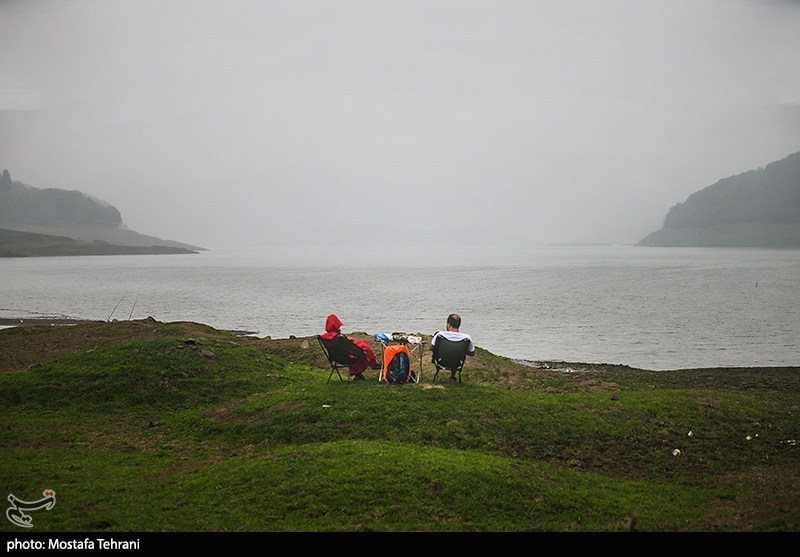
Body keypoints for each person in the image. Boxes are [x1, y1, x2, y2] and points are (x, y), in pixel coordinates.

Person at [320, 313, 379, 380]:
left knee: (361, 348)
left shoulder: (325, 337)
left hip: (336, 358)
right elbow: (348, 346)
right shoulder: (338, 337)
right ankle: (373, 364)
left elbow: (343, 345)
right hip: (347, 358)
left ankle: (358, 374)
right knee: (363, 349)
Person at [429, 313, 475, 381]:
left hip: (441, 361)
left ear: (449, 324)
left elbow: (431, 348)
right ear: (459, 325)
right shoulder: (466, 338)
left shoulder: (439, 335)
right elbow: (472, 353)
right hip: (457, 362)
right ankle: (452, 376)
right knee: (455, 354)